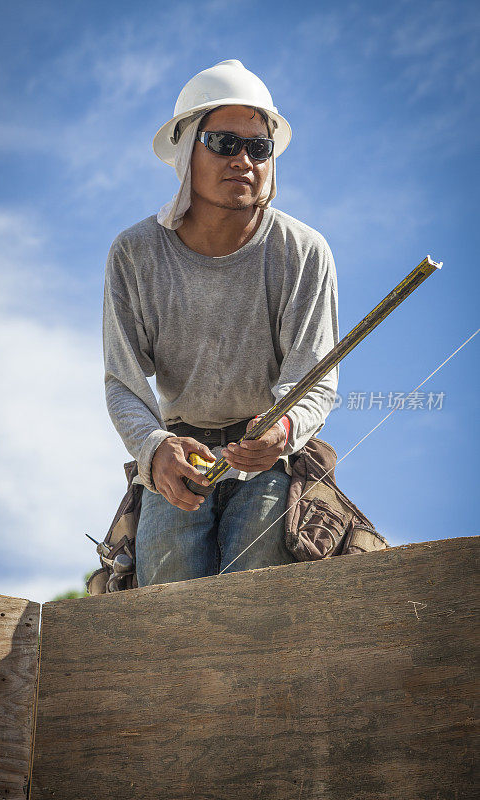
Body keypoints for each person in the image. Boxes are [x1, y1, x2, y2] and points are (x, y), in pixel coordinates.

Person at [103, 60, 339, 587]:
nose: (244, 160)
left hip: (269, 460)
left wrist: (282, 429)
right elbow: (123, 383)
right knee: (164, 616)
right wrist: (154, 449)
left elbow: (315, 380)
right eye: (224, 142)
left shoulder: (302, 253)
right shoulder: (135, 254)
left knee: (259, 614)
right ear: (187, 149)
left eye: (259, 148)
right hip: (178, 453)